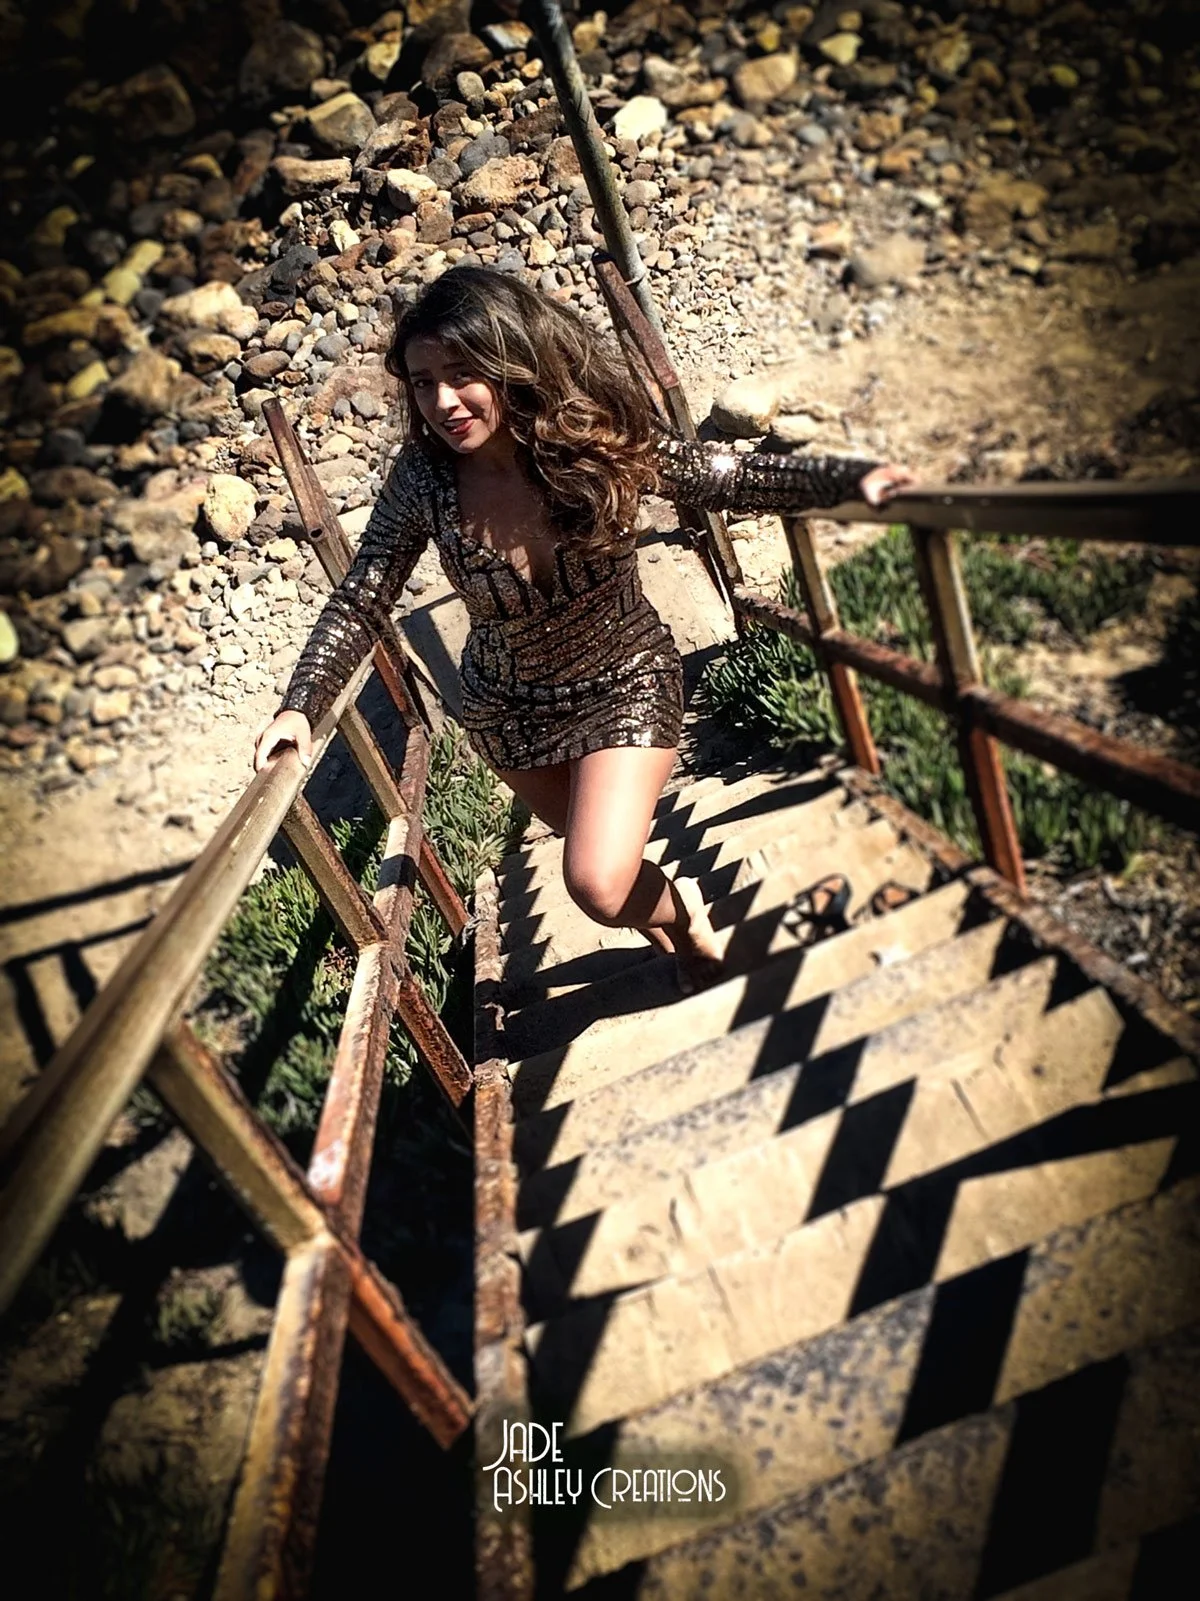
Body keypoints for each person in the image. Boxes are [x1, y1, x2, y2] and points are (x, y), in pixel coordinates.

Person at [253, 266, 914, 993]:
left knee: (595, 882)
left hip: (625, 677)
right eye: (421, 382)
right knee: (609, 873)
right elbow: (364, 590)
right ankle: (665, 922)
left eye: (462, 373)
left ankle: (687, 923)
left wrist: (843, 480)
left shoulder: (594, 434)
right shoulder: (425, 477)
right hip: (506, 709)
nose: (442, 401)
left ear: (512, 360)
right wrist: (301, 705)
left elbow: (716, 477)